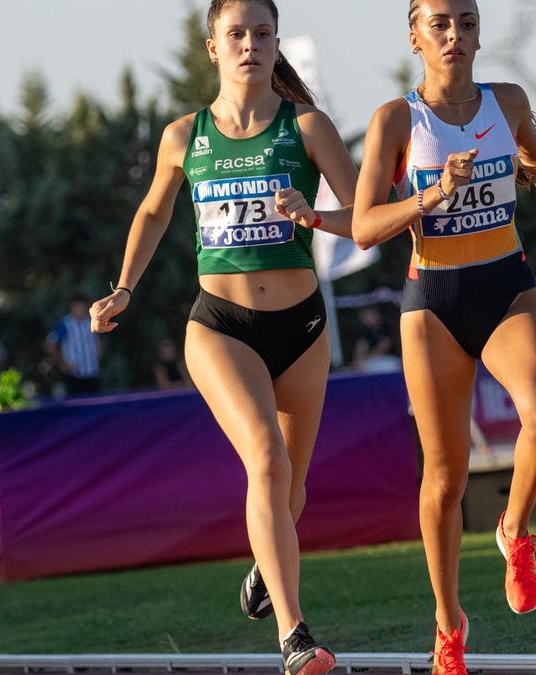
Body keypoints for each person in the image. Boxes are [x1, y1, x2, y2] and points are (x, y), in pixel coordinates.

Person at [87, 2, 358, 672]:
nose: (250, 46)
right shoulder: (186, 135)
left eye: (262, 34)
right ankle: (294, 636)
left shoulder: (307, 126)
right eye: (235, 35)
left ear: (275, 43)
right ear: (212, 47)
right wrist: (124, 286)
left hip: (301, 327)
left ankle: (267, 569)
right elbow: (153, 210)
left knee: (290, 490)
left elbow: (365, 218)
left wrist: (315, 216)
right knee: (266, 458)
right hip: (220, 327)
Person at [351, 1, 536, 670]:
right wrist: (430, 197)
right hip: (432, 301)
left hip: (506, 284)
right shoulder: (396, 120)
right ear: (415, 37)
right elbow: (364, 225)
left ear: (479, 31)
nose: (454, 34)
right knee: (444, 475)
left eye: (465, 20)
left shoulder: (508, 101)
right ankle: (447, 624)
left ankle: (514, 529)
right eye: (439, 23)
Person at [46, 296, 102, 395]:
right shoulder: (66, 324)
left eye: (83, 306)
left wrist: (97, 357)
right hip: (75, 374)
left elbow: (99, 341)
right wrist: (62, 364)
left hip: (92, 372)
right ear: (72, 307)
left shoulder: (90, 322)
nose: (81, 309)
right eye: (78, 306)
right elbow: (51, 344)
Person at [352, 305, 399, 372]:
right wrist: (358, 361)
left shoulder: (385, 328)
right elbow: (360, 349)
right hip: (371, 361)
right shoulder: (364, 332)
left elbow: (384, 347)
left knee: (393, 364)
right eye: (363, 316)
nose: (366, 319)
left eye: (368, 315)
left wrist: (366, 358)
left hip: (388, 359)